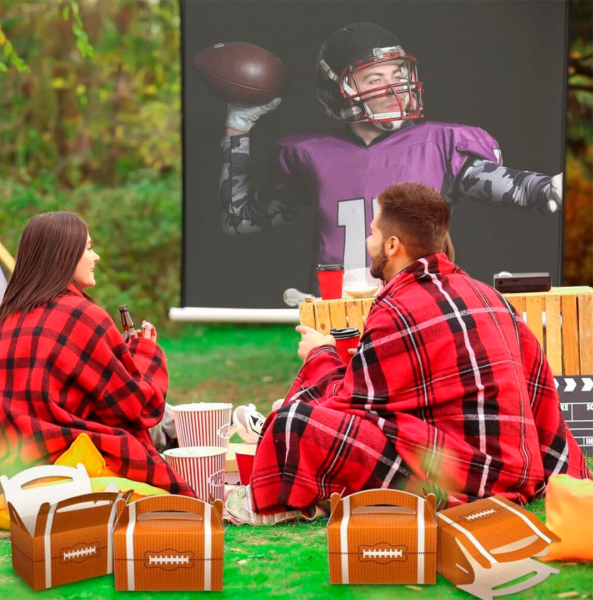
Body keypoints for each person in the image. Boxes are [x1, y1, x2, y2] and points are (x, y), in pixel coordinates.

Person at [225, 182, 590, 524]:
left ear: (392, 245)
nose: (368, 241)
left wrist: (321, 355)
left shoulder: (398, 307)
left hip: (459, 479)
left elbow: (350, 403)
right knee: (309, 417)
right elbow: (536, 386)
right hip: (520, 470)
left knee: (295, 422)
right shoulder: (487, 295)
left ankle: (267, 497)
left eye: (372, 232)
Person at [220, 22, 562, 276]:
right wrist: (238, 127)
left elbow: (524, 189)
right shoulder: (312, 156)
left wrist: (554, 188)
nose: (392, 88)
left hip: (419, 313)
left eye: (398, 75)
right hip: (339, 317)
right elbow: (240, 220)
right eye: (374, 79)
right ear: (337, 89)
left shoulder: (439, 146)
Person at [0, 212, 194, 497]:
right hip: (71, 461)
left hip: (10, 469)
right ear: (64, 255)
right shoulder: (83, 316)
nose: (96, 256)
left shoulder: (1, 319)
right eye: (88, 248)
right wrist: (146, 353)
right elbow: (136, 407)